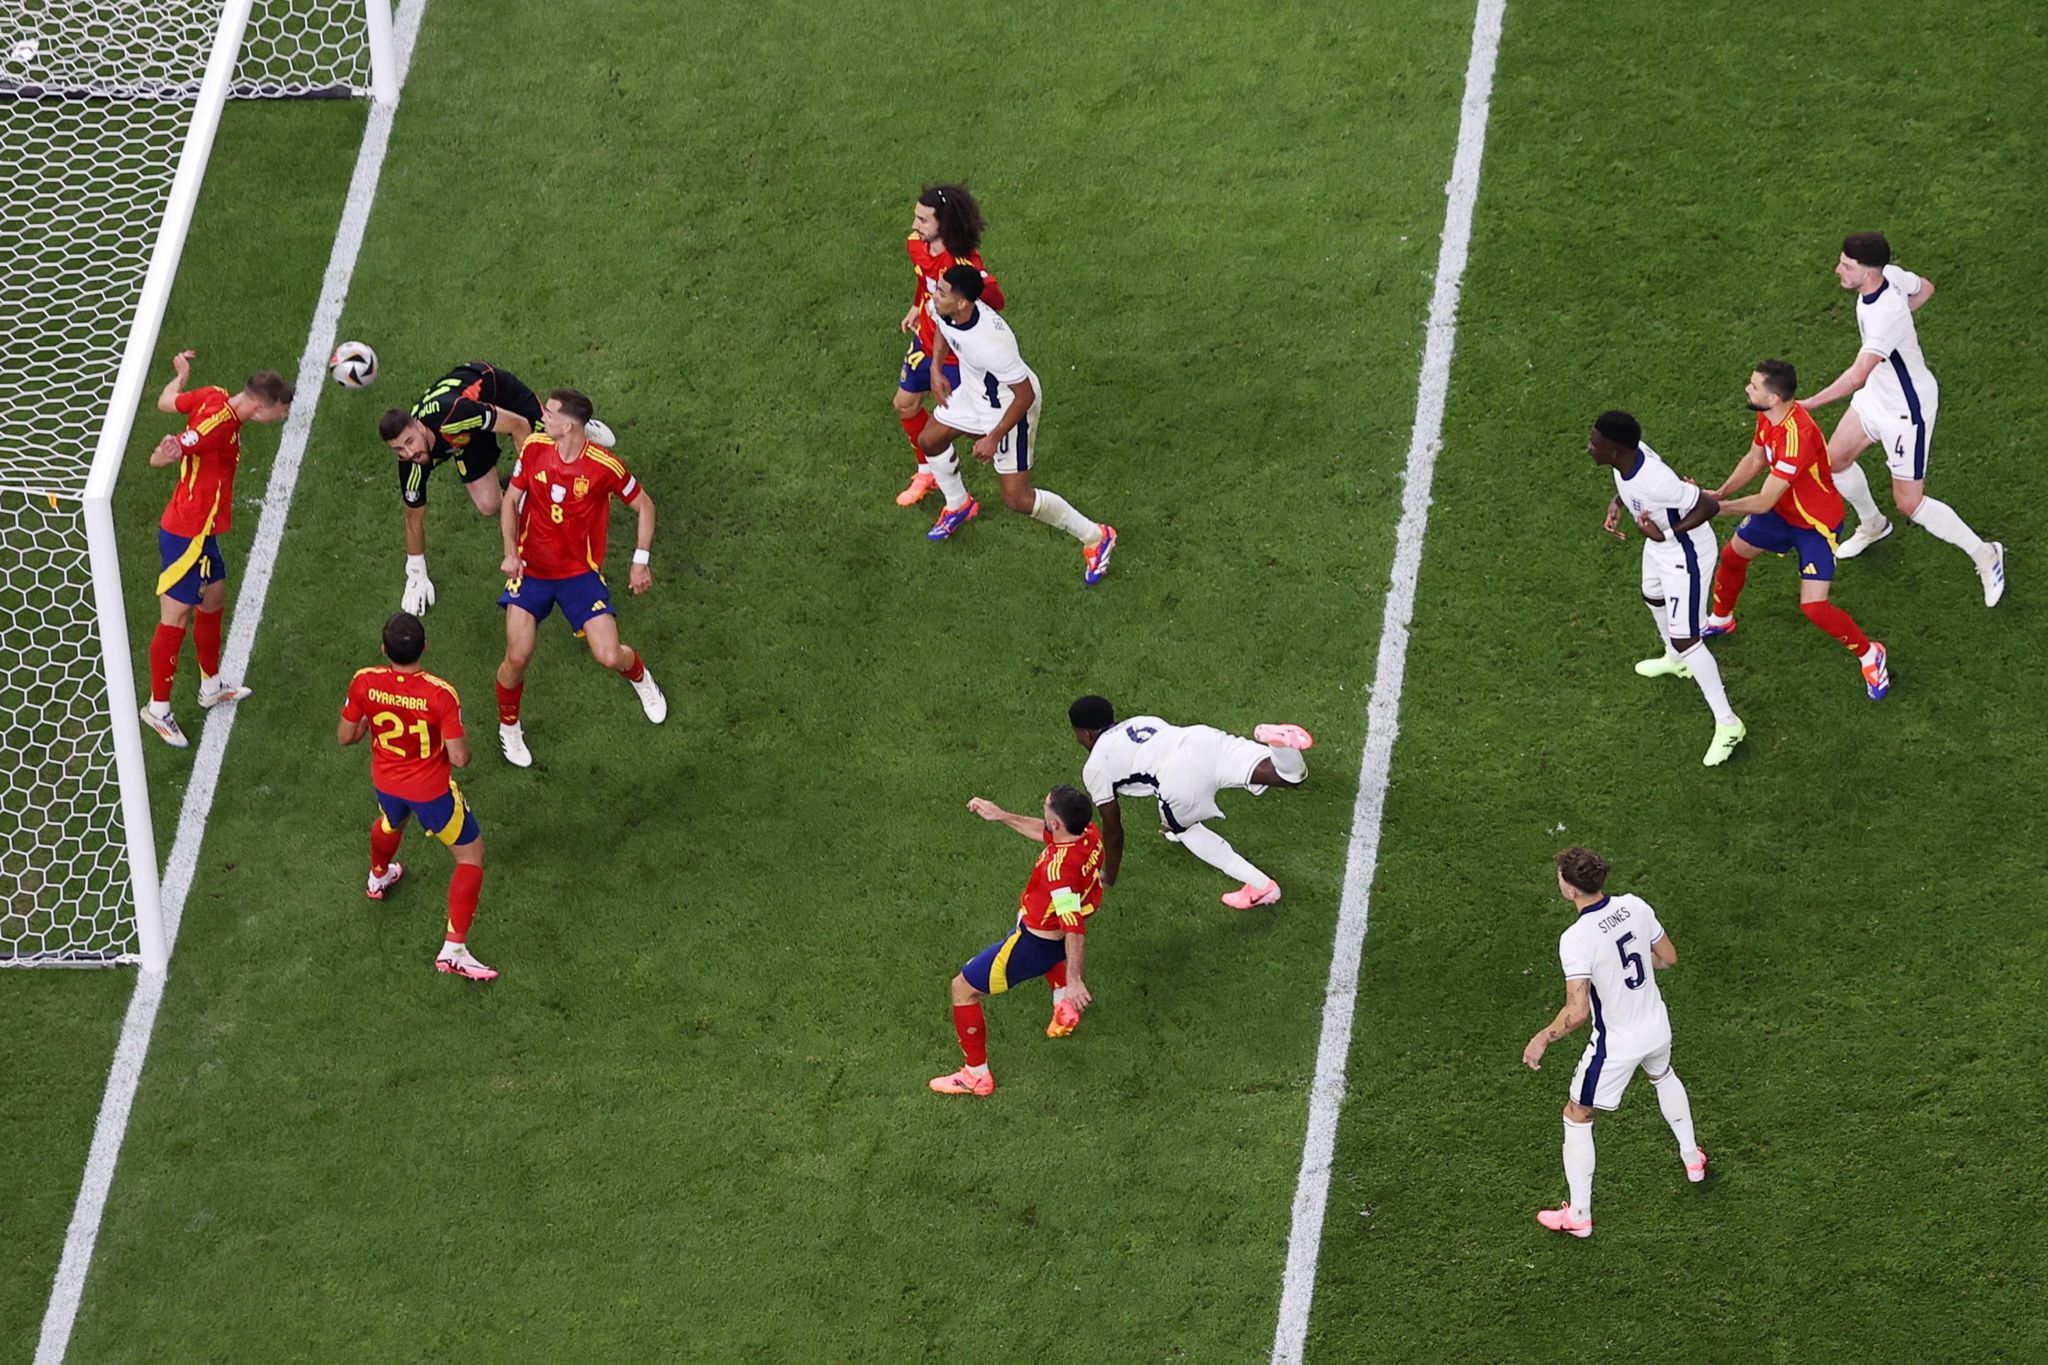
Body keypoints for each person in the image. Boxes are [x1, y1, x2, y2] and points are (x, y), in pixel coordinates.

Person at [1802, 232, 2003, 604]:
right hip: (1878, 395)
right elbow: (1925, 288)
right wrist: (1899, 330)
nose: (1837, 270)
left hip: (1905, 411)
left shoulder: (1886, 314)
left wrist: (1810, 403)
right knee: (1835, 460)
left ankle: (1986, 553)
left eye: (1846, 266)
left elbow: (1857, 374)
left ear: (1869, 271)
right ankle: (1873, 526)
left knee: (1909, 502)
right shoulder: (1891, 276)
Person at [1523, 847, 1705, 1239]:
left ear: (1571, 891)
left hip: (1616, 1045)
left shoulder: (1576, 938)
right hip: (1656, 1026)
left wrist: (1542, 1038)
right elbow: (1668, 957)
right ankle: (1693, 1160)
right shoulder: (1635, 906)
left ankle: (1580, 1215)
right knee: (1664, 1076)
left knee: (1577, 1115)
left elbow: (1577, 1012)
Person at [493, 388, 666, 767]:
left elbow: (644, 505)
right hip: (532, 570)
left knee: (608, 654)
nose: (544, 417)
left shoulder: (605, 466)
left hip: (579, 574)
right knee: (517, 655)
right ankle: (509, 727)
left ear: (569, 425)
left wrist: (640, 561)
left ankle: (640, 678)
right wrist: (510, 551)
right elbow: (510, 501)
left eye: (550, 413)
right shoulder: (535, 447)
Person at [918, 265, 1118, 584]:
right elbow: (943, 326)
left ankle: (1097, 537)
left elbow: (1023, 394)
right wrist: (936, 368)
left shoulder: (992, 343)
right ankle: (959, 505)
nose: (934, 295)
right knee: (930, 441)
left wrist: (993, 437)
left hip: (1009, 410)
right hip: (974, 394)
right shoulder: (946, 307)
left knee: (1017, 499)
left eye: (942, 292)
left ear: (962, 303)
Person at [1707, 360, 1890, 700]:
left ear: (1775, 397)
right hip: (1781, 511)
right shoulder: (1768, 416)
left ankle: (1870, 654)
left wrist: (1716, 509)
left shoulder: (1797, 439)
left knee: (1814, 608)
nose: (1748, 389)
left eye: (1754, 386)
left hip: (1815, 525)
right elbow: (1755, 459)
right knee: (1733, 556)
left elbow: (1762, 501)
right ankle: (1721, 619)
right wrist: (1720, 493)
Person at [139, 349, 293, 748]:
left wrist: (181, 375)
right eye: (280, 410)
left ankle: (210, 686)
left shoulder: (213, 394)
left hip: (202, 531)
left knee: (214, 598)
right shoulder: (215, 427)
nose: (282, 416)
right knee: (176, 617)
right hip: (186, 532)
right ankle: (158, 709)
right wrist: (166, 452)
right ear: (260, 407)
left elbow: (165, 401)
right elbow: (162, 457)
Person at [336, 612, 497, 981]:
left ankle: (378, 876)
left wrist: (369, 720)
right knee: (471, 855)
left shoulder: (364, 680)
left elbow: (347, 735)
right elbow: (459, 758)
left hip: (386, 781)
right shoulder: (440, 694)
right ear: (424, 647)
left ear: (383, 649)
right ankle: (455, 950)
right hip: (430, 791)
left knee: (393, 820)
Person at [1586, 410, 1744, 766]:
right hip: (1657, 544)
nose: (1589, 448)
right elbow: (1628, 483)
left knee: (1687, 636)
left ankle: (1728, 723)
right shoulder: (1630, 454)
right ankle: (1676, 661)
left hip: (1684, 553)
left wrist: (1666, 534)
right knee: (1651, 595)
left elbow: (1709, 504)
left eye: (1594, 443)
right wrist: (1617, 503)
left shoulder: (1659, 483)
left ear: (1612, 449)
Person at [931, 786, 1104, 1097]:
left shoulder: (1059, 873)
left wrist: (1075, 978)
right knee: (1050, 944)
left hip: (1036, 942)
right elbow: (1045, 832)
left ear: (1057, 824)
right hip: (1053, 932)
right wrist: (1001, 816)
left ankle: (976, 1075)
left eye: (1046, 810)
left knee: (962, 988)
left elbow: (1073, 925)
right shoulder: (1089, 833)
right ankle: (1062, 1005)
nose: (1043, 814)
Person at [1068, 695, 1310, 908]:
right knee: (1285, 776)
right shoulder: (1141, 720)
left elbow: (1112, 829)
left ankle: (1261, 886)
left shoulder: (1095, 767)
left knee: (1183, 827)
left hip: (1179, 774)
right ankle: (1280, 747)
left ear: (1086, 733)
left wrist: (1109, 874)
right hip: (1201, 739)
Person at [379, 361, 545, 613]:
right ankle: (513, 484)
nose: (409, 452)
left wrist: (531, 486)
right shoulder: (410, 464)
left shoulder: (453, 415)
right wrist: (416, 573)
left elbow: (518, 424)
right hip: (467, 435)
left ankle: (573, 426)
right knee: (489, 504)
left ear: (419, 426)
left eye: (410, 441)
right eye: (399, 449)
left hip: (493, 389)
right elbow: (413, 518)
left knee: (547, 447)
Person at [891, 184, 1005, 507]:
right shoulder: (916, 245)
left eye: (923, 220)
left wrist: (973, 292)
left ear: (944, 223)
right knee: (904, 405)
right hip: (926, 340)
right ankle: (927, 472)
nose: (914, 226)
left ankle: (1005, 440)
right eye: (916, 217)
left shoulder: (963, 264)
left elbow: (996, 299)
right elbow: (923, 278)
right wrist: (918, 304)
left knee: (973, 427)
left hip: (957, 355)